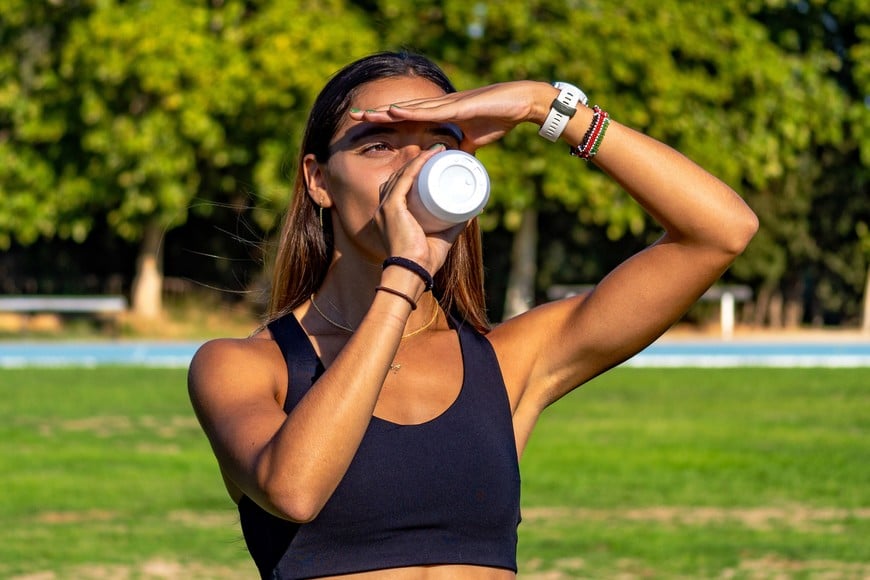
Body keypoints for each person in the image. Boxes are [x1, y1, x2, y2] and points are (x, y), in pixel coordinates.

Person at [188, 51, 758, 579]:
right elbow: (295, 490)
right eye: (379, 145)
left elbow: (720, 233)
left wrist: (545, 107)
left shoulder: (507, 361)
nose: (412, 164)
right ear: (318, 180)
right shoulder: (243, 367)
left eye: (438, 143)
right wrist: (405, 275)